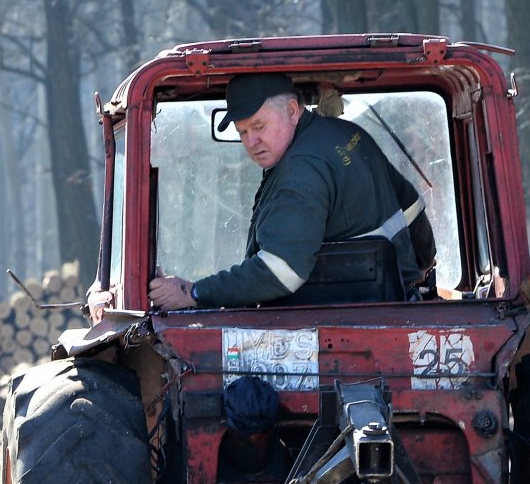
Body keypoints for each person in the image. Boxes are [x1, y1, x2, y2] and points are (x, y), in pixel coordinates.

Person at [148, 72, 432, 310]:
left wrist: (195, 294)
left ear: (293, 111)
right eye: (243, 131)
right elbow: (412, 208)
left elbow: (279, 272)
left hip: (343, 318)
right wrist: (416, 274)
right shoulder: (344, 133)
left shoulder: (301, 169)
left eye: (259, 126)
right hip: (392, 304)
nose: (251, 141)